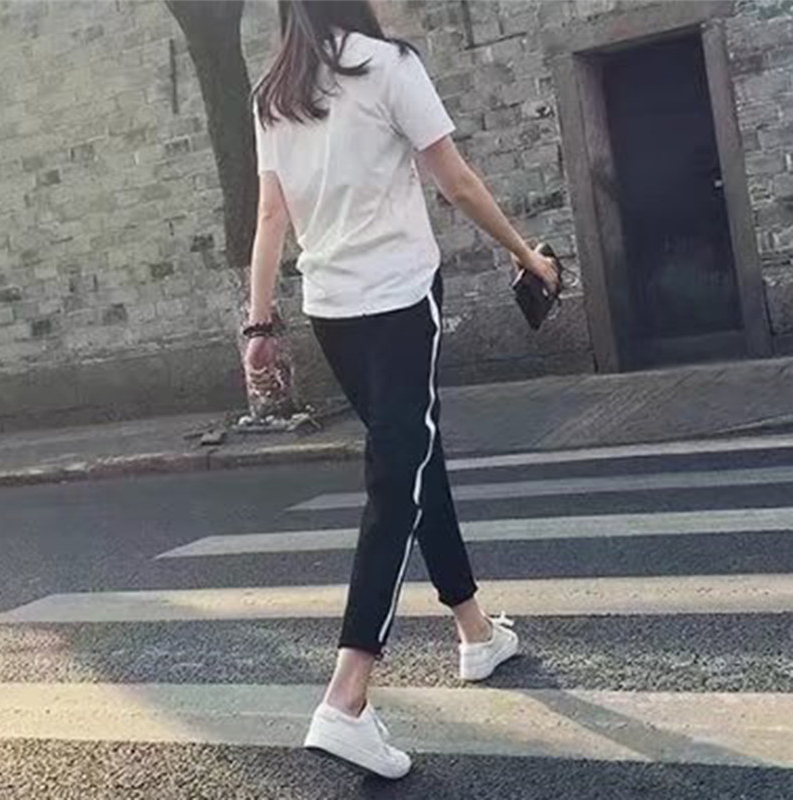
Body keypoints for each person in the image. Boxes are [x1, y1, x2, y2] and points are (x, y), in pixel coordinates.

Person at [244, 0, 559, 780]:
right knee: (398, 475)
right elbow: (455, 180)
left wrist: (259, 324)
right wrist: (529, 257)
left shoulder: (274, 93)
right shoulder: (390, 66)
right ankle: (347, 695)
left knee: (415, 455)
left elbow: (272, 214)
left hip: (331, 312)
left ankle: (475, 632)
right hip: (399, 301)